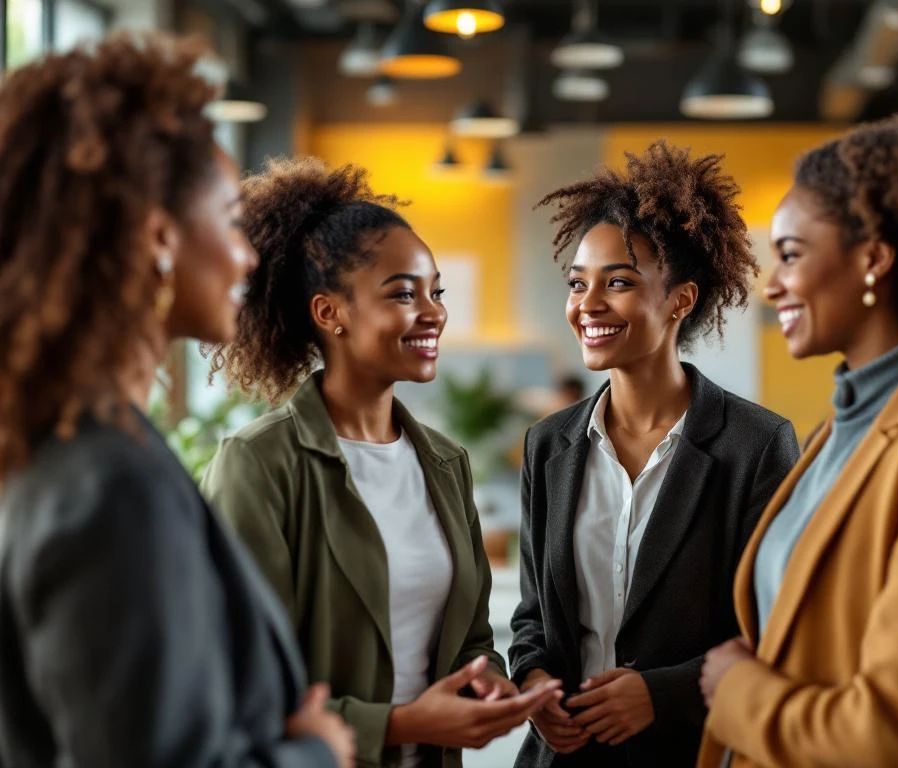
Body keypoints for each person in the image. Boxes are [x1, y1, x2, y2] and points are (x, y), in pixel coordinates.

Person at [0, 33, 355, 768]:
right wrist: (316, 753)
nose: (248, 256)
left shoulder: (53, 445)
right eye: (229, 221)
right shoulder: (110, 482)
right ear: (158, 238)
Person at [200, 157, 562, 768]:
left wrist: (488, 683)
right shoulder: (257, 465)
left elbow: (471, 638)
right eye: (402, 294)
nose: (434, 313)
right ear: (328, 313)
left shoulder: (446, 463)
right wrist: (401, 723)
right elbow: (236, 674)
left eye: (436, 292)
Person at [698, 115, 898, 768]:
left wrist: (736, 690)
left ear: (873, 256)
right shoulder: (839, 433)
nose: (771, 284)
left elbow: (895, 734)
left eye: (790, 254)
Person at [509, 141, 800, 768]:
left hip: (689, 752)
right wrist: (534, 685)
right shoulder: (550, 443)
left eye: (618, 283)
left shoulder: (757, 445)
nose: (587, 305)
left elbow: (777, 631)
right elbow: (534, 617)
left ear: (681, 300)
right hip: (562, 757)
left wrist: (662, 694)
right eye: (578, 284)